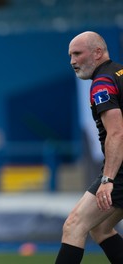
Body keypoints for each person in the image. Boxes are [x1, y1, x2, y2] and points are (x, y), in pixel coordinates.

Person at [55, 31, 123, 263]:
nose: (72, 61)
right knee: (101, 228)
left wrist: (108, 180)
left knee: (74, 225)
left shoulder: (102, 83)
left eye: (77, 54)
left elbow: (116, 132)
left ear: (97, 53)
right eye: (70, 55)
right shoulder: (120, 73)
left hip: (121, 170)